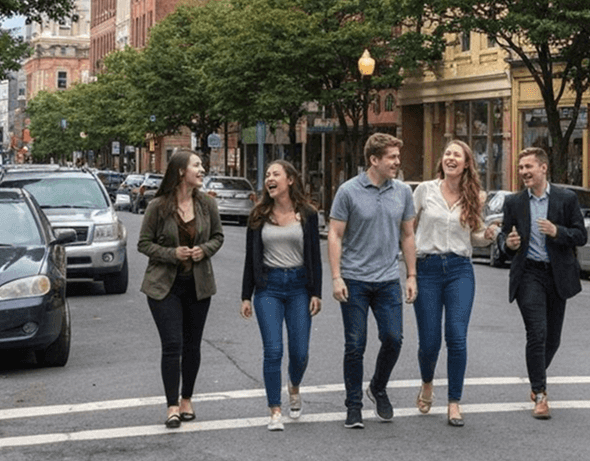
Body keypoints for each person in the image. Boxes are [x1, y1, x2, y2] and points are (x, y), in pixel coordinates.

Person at [327, 133, 416, 430]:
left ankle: (377, 387)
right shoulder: (348, 191)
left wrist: (411, 275)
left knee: (393, 338)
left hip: (388, 278)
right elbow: (335, 235)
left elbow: (407, 235)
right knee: (355, 344)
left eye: (397, 157)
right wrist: (336, 276)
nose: (397, 162)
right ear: (374, 160)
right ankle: (353, 405)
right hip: (354, 279)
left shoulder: (402, 192)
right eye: (391, 157)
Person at [411, 140, 498, 427]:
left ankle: (454, 402)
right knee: (429, 341)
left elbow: (473, 235)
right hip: (428, 268)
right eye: (447, 153)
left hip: (460, 269)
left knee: (457, 337)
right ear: (442, 161)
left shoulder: (475, 196)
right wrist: (410, 271)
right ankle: (427, 383)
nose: (450, 158)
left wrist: (488, 235)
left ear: (466, 164)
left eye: (456, 155)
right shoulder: (425, 190)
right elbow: (408, 231)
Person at [498, 146, 587, 420]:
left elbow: (581, 235)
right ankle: (540, 393)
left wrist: (557, 231)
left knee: (553, 339)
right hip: (528, 274)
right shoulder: (514, 202)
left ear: (543, 168)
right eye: (521, 167)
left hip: (557, 275)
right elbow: (504, 239)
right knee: (536, 332)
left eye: (529, 167)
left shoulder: (565, 198)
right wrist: (509, 244)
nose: (524, 172)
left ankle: (536, 374)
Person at [138, 150, 224, 428]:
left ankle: (187, 398)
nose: (202, 169)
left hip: (198, 286)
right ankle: (172, 405)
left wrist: (204, 250)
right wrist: (172, 253)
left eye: (201, 165)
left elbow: (218, 237)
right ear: (180, 172)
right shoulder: (158, 206)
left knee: (192, 345)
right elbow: (144, 244)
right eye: (196, 165)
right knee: (172, 344)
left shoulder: (207, 205)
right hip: (164, 287)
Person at [240, 160, 323, 431]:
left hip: (299, 286)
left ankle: (294, 385)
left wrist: (316, 292)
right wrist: (245, 296)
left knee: (300, 352)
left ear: (290, 180)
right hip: (269, 288)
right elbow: (249, 259)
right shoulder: (258, 215)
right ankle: (274, 409)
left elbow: (315, 257)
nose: (269, 179)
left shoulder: (308, 215)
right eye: (267, 175)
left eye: (276, 174)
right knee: (273, 350)